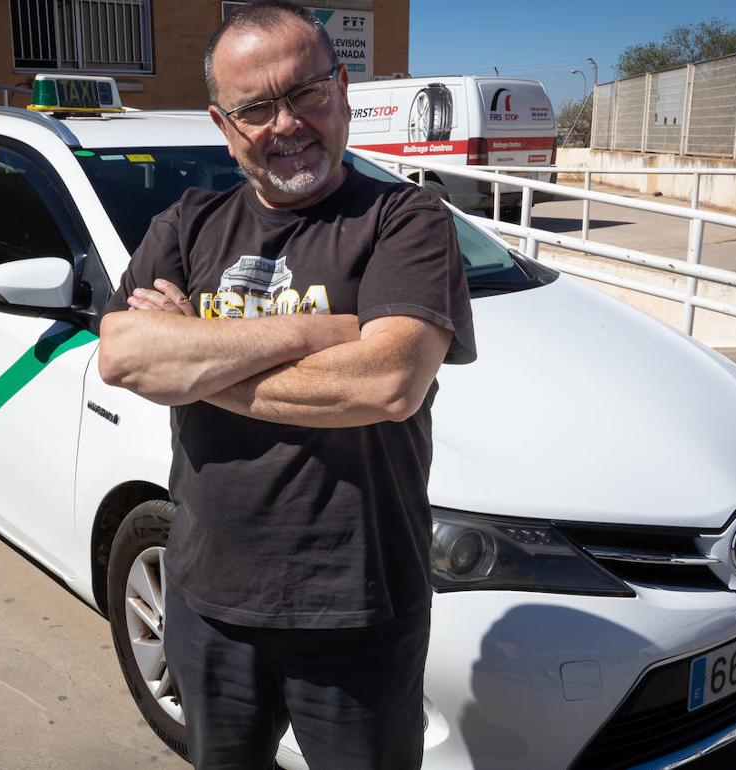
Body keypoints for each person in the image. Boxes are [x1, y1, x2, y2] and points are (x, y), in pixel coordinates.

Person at [97, 2, 476, 767]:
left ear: (340, 89)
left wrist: (194, 361)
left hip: (360, 604)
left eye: (304, 93)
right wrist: (318, 329)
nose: (286, 123)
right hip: (206, 597)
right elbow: (123, 357)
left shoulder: (404, 221)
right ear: (222, 123)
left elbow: (389, 382)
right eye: (255, 108)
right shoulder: (188, 224)